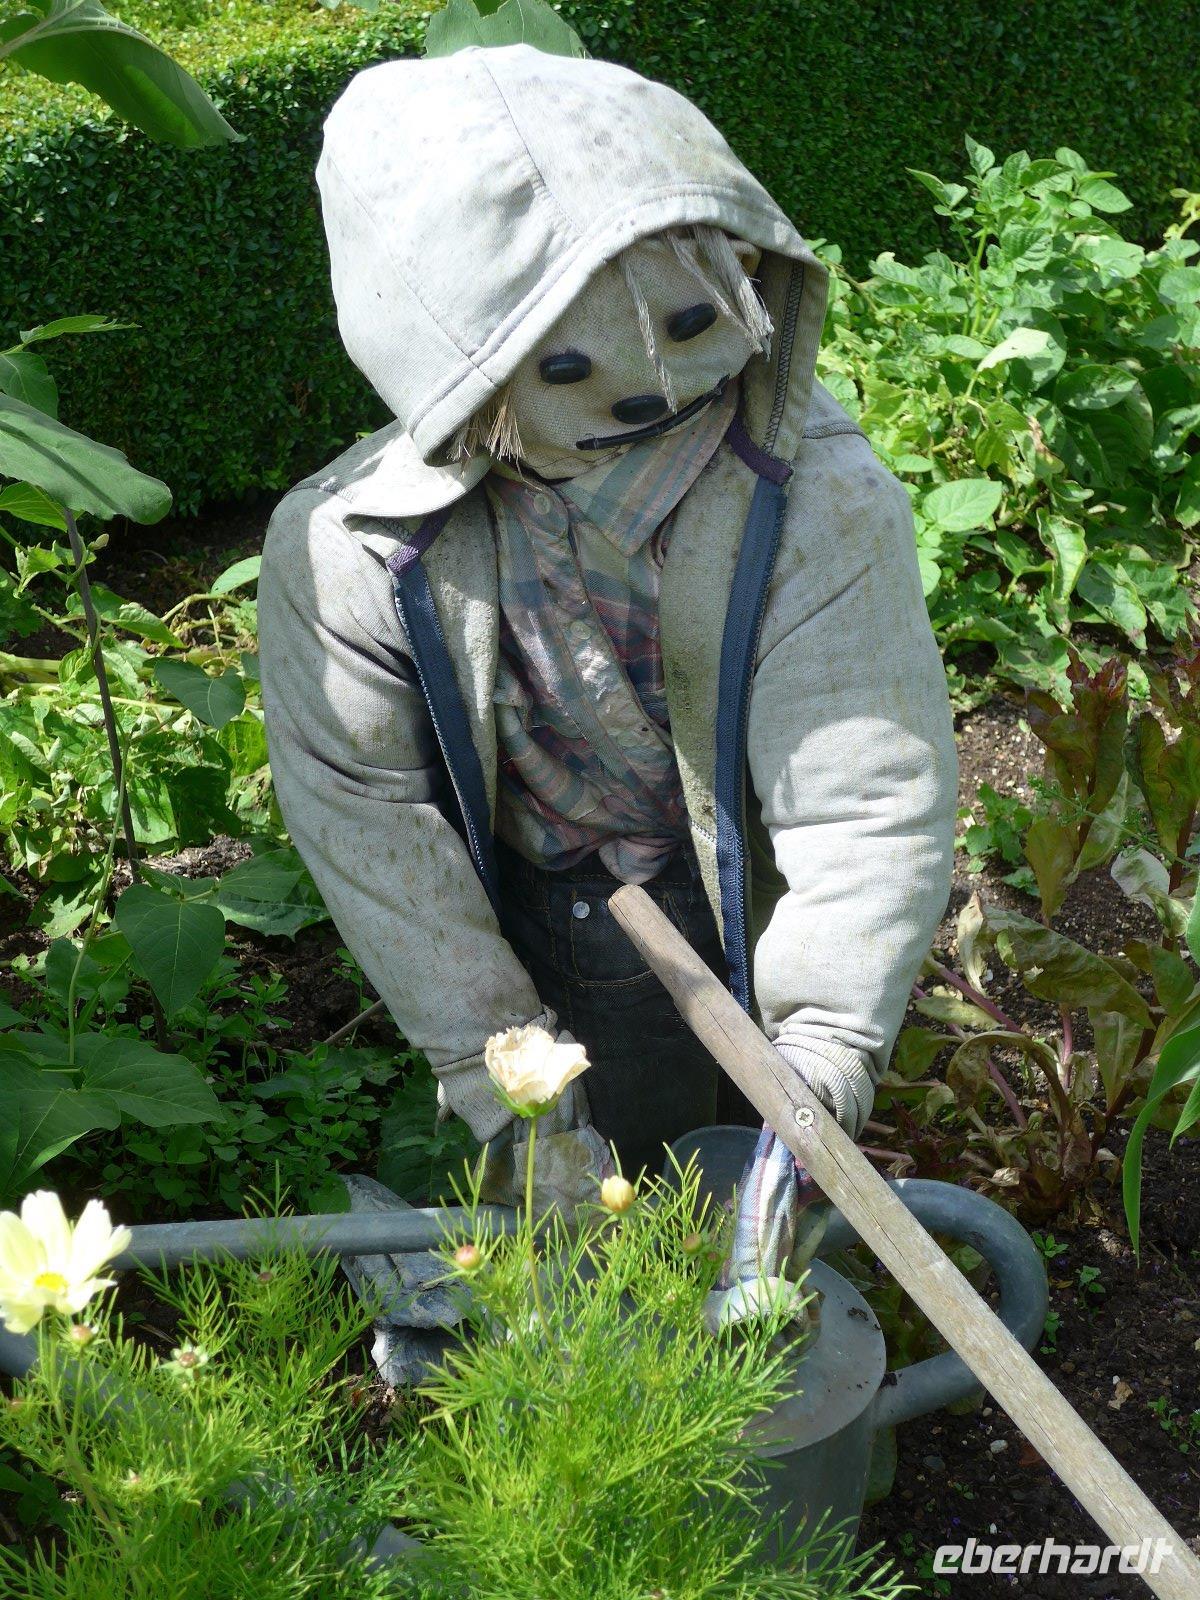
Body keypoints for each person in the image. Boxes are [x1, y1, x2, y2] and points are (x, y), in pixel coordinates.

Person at [258, 39, 957, 1281]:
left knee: (739, 1198)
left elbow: (864, 791)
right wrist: (491, 1062)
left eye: (690, 326)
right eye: (566, 364)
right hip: (526, 910)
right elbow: (369, 812)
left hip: (738, 901)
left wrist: (827, 1049)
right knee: (563, 1224)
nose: (644, 395)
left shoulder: (811, 502)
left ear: (744, 270)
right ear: (450, 352)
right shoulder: (355, 550)